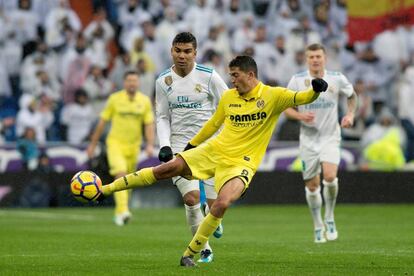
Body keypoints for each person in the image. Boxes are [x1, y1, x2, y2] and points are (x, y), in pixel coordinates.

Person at [96, 55, 327, 266]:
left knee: (222, 203)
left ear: (250, 75)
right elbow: (213, 125)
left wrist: (316, 90)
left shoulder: (274, 96)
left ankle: (189, 253)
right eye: (230, 76)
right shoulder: (228, 97)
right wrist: (190, 147)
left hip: (242, 164)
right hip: (214, 151)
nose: (232, 81)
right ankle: (105, 190)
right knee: (165, 169)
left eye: (235, 75)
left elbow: (302, 96)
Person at [155, 32, 229, 263]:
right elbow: (162, 117)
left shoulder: (209, 77)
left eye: (187, 51)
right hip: (180, 148)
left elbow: (230, 106)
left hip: (210, 147)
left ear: (195, 53)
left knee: (217, 205)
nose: (182, 56)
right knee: (191, 198)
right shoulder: (163, 81)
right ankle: (204, 248)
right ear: (172, 51)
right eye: (178, 50)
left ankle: (211, 213)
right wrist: (165, 145)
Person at [284, 43, 357, 243]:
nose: (315, 59)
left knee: (331, 177)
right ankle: (318, 224)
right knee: (313, 187)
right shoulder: (297, 80)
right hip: (308, 140)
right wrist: (300, 117)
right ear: (306, 59)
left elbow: (352, 95)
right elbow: (285, 107)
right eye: (311, 57)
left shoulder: (336, 78)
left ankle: (330, 216)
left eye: (318, 56)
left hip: (330, 136)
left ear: (325, 58)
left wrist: (350, 114)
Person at [87, 70, 155, 226]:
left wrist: (150, 144)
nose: (132, 83)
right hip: (115, 144)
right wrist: (92, 144)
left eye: (134, 80)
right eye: (129, 80)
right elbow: (102, 122)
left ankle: (120, 212)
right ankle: (123, 210)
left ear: (138, 83)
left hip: (134, 146)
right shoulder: (115, 99)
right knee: (120, 173)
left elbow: (149, 124)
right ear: (124, 83)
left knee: (128, 180)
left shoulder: (144, 101)